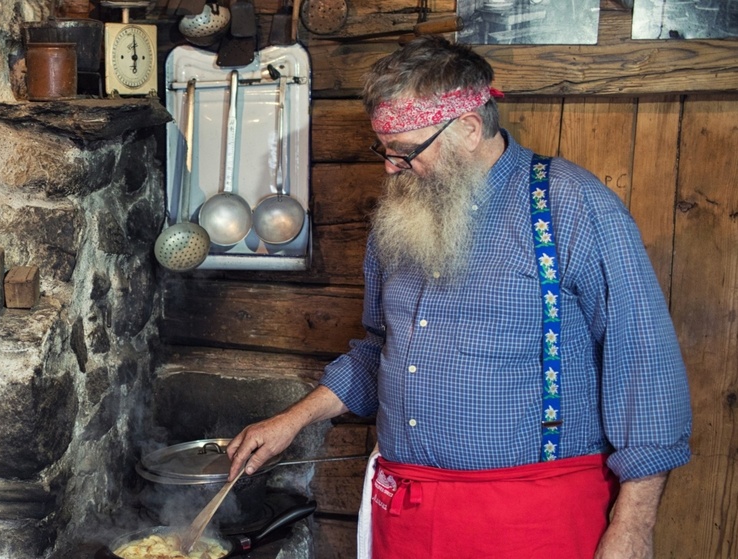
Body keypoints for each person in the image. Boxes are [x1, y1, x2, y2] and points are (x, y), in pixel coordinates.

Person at [225, 36, 692, 559]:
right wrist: (291, 421)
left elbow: (644, 367)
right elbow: (381, 350)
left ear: (468, 128)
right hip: (407, 513)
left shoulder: (571, 205)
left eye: (406, 150)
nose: (390, 167)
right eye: (384, 148)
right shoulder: (399, 217)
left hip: (531, 516)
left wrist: (634, 526)